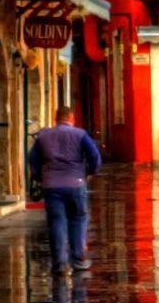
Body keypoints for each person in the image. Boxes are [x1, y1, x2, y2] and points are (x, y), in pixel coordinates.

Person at [26, 108, 103, 270]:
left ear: (56, 118)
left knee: (56, 221)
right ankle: (77, 259)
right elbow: (94, 156)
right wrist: (89, 172)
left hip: (51, 185)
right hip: (76, 183)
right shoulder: (80, 135)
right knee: (78, 219)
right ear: (72, 118)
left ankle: (59, 263)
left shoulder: (43, 136)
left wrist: (40, 176)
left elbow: (33, 159)